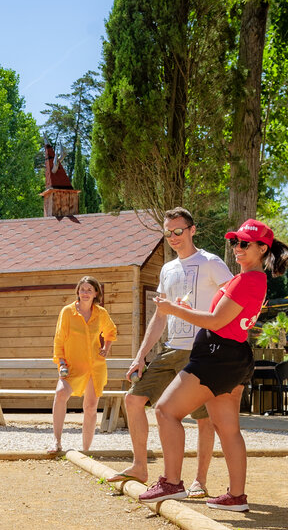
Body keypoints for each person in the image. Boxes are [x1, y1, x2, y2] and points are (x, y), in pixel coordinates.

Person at [138, 219, 288, 513]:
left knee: (166, 411)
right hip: (233, 355)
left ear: (263, 249)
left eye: (245, 244)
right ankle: (236, 496)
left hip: (216, 355)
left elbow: (216, 322)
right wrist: (185, 310)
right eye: (235, 242)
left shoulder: (248, 280)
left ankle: (171, 482)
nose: (237, 248)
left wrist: (172, 310)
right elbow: (223, 320)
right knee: (227, 428)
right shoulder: (253, 279)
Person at [111, 208, 230, 496]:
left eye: (178, 231)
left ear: (192, 230)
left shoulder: (212, 263)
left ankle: (199, 481)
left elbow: (232, 305)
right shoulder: (167, 269)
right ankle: (140, 466)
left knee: (204, 418)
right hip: (171, 348)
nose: (173, 237)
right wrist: (140, 356)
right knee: (133, 400)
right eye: (168, 233)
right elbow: (160, 316)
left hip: (202, 351)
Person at [50, 277, 117, 453]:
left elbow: (111, 331)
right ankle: (56, 442)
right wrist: (61, 362)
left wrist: (106, 347)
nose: (85, 293)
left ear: (96, 293)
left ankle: (86, 450)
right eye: (82, 289)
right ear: (78, 292)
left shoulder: (101, 313)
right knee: (60, 393)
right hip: (72, 365)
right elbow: (59, 339)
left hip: (95, 366)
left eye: (89, 290)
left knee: (90, 406)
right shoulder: (67, 312)